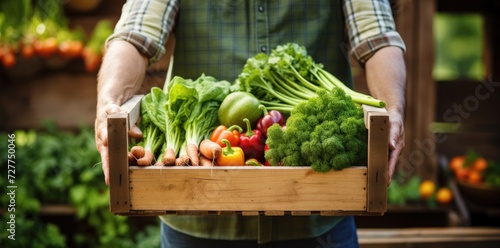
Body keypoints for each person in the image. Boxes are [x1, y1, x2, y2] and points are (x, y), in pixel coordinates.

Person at [95, 0, 407, 247]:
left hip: (318, 215)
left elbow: (378, 39)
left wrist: (392, 109)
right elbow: (134, 37)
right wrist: (108, 101)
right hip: (195, 218)